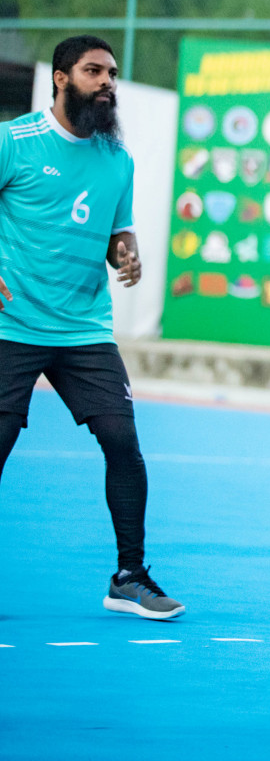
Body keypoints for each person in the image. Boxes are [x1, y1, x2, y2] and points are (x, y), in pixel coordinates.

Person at [0, 35, 183, 620]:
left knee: (124, 445)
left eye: (111, 73)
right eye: (93, 71)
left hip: (84, 331)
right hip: (14, 325)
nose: (107, 82)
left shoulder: (117, 159)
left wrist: (126, 253)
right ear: (60, 78)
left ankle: (130, 577)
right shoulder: (14, 141)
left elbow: (116, 232)